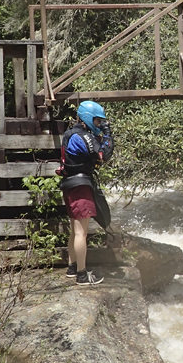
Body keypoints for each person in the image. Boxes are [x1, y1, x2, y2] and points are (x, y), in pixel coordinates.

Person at [58, 100, 114, 286]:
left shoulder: (71, 134)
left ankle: (72, 267)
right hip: (80, 186)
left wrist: (100, 134)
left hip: (71, 184)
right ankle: (82, 274)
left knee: (75, 230)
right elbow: (103, 154)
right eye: (97, 120)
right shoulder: (82, 136)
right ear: (88, 118)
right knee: (81, 233)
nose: (99, 124)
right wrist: (108, 134)